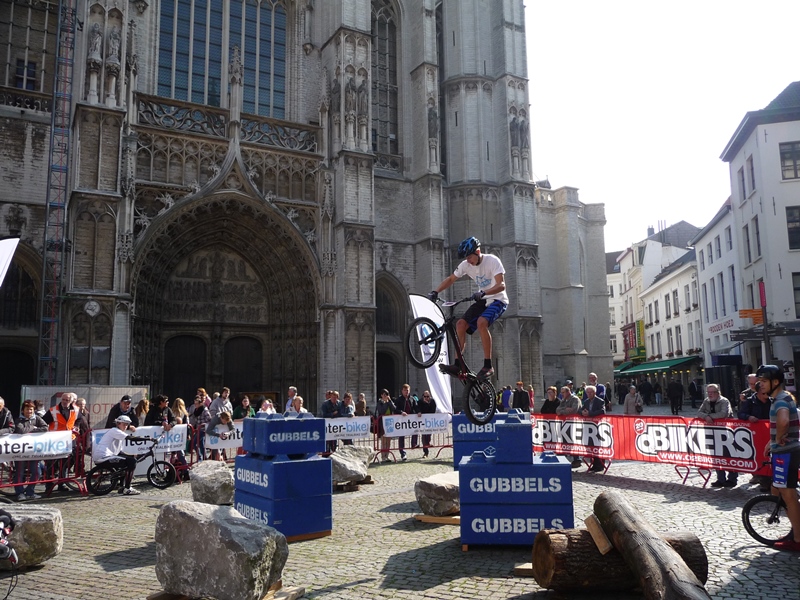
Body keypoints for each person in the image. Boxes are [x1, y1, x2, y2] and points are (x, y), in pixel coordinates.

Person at [428, 236, 508, 380]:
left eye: (470, 257)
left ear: (478, 252)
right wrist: (435, 291)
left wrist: (484, 293)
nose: (468, 261)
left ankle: (488, 365)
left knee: (481, 322)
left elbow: (501, 285)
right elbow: (451, 279)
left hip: (498, 300)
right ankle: (458, 364)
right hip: (483, 299)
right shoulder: (466, 265)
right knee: (460, 324)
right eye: (466, 258)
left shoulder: (492, 260)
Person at [759, 364, 800, 551]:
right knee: (777, 490)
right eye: (760, 381)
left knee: (788, 495)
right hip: (784, 451)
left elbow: (783, 420)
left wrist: (778, 439)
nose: (760, 384)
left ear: (775, 382)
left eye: (764, 381)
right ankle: (795, 529)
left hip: (786, 453)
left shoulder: (780, 400)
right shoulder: (781, 398)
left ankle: (797, 539)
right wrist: (771, 442)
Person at [698, 384, 737, 488]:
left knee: (729, 456)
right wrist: (706, 417)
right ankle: (720, 479)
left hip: (726, 432)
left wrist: (709, 416)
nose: (710, 394)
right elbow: (699, 412)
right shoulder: (706, 401)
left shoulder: (724, 401)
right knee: (716, 456)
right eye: (708, 392)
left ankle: (732, 479)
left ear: (718, 392)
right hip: (712, 432)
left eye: (712, 392)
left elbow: (724, 413)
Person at [92, 415, 140, 495]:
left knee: (127, 462)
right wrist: (148, 439)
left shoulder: (118, 433)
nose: (126, 426)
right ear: (118, 424)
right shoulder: (115, 430)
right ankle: (127, 488)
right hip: (103, 457)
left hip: (106, 456)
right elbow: (131, 438)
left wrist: (131, 455)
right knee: (132, 462)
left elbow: (119, 452)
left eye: (127, 424)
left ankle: (121, 487)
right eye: (124, 424)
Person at [739, 381, 773, 492]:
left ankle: (773, 481)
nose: (766, 395)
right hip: (756, 435)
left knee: (771, 457)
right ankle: (764, 482)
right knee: (760, 457)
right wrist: (749, 417)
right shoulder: (750, 401)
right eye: (764, 392)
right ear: (758, 392)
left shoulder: (773, 401)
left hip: (771, 433)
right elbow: (740, 414)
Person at [43, 392, 78, 492]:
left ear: (71, 401)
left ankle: (61, 484)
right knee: (52, 464)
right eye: (63, 400)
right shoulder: (53, 410)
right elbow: (43, 422)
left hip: (69, 440)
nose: (65, 402)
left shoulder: (75, 410)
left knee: (66, 463)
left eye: (67, 400)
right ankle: (49, 485)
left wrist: (77, 426)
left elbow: (79, 419)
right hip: (55, 441)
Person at [13, 400, 46, 501]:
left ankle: (30, 492)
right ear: (23, 410)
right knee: (20, 472)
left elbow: (45, 428)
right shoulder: (18, 420)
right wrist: (33, 427)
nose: (29, 411)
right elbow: (21, 430)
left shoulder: (37, 418)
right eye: (27, 409)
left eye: (31, 409)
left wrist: (32, 429)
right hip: (20, 451)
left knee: (37, 472)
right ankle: (19, 493)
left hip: (34, 450)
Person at [581, 385, 606, 472]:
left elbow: (602, 411)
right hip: (588, 427)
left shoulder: (600, 401)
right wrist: (583, 412)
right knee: (591, 446)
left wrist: (590, 413)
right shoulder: (586, 401)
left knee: (598, 446)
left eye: (590, 392)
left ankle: (600, 465)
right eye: (587, 392)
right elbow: (580, 410)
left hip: (598, 426)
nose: (589, 394)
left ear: (594, 392)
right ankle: (594, 464)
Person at [556, 386, 582, 468]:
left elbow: (574, 410)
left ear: (568, 392)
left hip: (574, 423)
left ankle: (577, 459)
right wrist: (565, 409)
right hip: (565, 424)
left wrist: (562, 411)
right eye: (561, 392)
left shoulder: (575, 399)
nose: (562, 394)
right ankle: (563, 458)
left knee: (573, 441)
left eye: (563, 392)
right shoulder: (563, 400)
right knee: (564, 440)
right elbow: (557, 410)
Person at [394, 384, 417, 460]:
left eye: (407, 390)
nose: (406, 392)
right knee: (401, 436)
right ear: (402, 391)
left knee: (415, 431)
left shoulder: (412, 399)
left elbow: (416, 407)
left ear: (409, 391)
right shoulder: (399, 400)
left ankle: (414, 444)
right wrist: (401, 412)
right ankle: (403, 453)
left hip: (411, 420)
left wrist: (419, 412)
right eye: (404, 390)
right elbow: (395, 409)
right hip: (402, 421)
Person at [375, 390, 396, 462]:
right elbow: (382, 411)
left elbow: (394, 408)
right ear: (381, 395)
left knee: (388, 441)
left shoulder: (389, 402)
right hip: (382, 423)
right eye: (384, 395)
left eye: (386, 394)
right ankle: (383, 456)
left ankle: (387, 455)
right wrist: (386, 403)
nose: (385, 396)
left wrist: (390, 401)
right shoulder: (379, 403)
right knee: (383, 440)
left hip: (389, 423)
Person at [189, 396, 211, 461]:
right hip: (198, 429)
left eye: (197, 404)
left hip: (203, 429)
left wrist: (204, 424)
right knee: (201, 444)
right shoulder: (196, 410)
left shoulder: (204, 410)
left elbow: (209, 419)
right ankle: (204, 457)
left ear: (200, 403)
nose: (195, 405)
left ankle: (199, 457)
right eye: (194, 403)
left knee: (194, 443)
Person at [417, 391, 437, 457]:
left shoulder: (432, 401)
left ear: (430, 396)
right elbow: (418, 408)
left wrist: (427, 404)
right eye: (425, 396)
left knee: (428, 434)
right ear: (423, 396)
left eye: (427, 396)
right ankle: (425, 451)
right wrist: (419, 412)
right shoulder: (420, 402)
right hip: (422, 421)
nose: (426, 398)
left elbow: (433, 410)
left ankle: (428, 443)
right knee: (423, 436)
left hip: (430, 421)